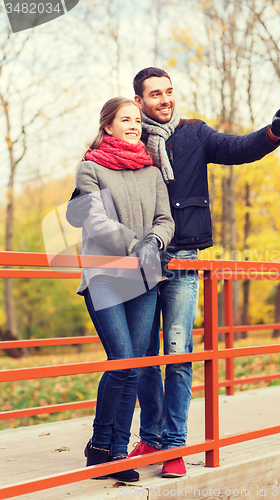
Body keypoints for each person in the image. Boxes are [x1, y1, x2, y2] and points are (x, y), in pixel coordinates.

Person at [67, 68, 280, 478]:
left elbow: (237, 148)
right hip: (130, 268)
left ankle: (169, 444)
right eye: (154, 94)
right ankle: (136, 441)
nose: (164, 99)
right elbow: (85, 212)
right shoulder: (107, 160)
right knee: (137, 359)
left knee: (177, 353)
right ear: (137, 102)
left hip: (179, 260)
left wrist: (272, 134)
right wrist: (135, 240)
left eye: (169, 91)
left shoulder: (190, 136)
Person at [73, 96, 174, 482]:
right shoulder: (89, 168)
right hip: (103, 278)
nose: (134, 125)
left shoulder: (152, 172)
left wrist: (154, 242)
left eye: (137, 120)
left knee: (133, 365)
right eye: (125, 120)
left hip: (145, 280)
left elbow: (165, 220)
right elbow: (94, 221)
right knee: (121, 361)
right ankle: (101, 444)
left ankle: (114, 450)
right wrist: (136, 243)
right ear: (108, 127)